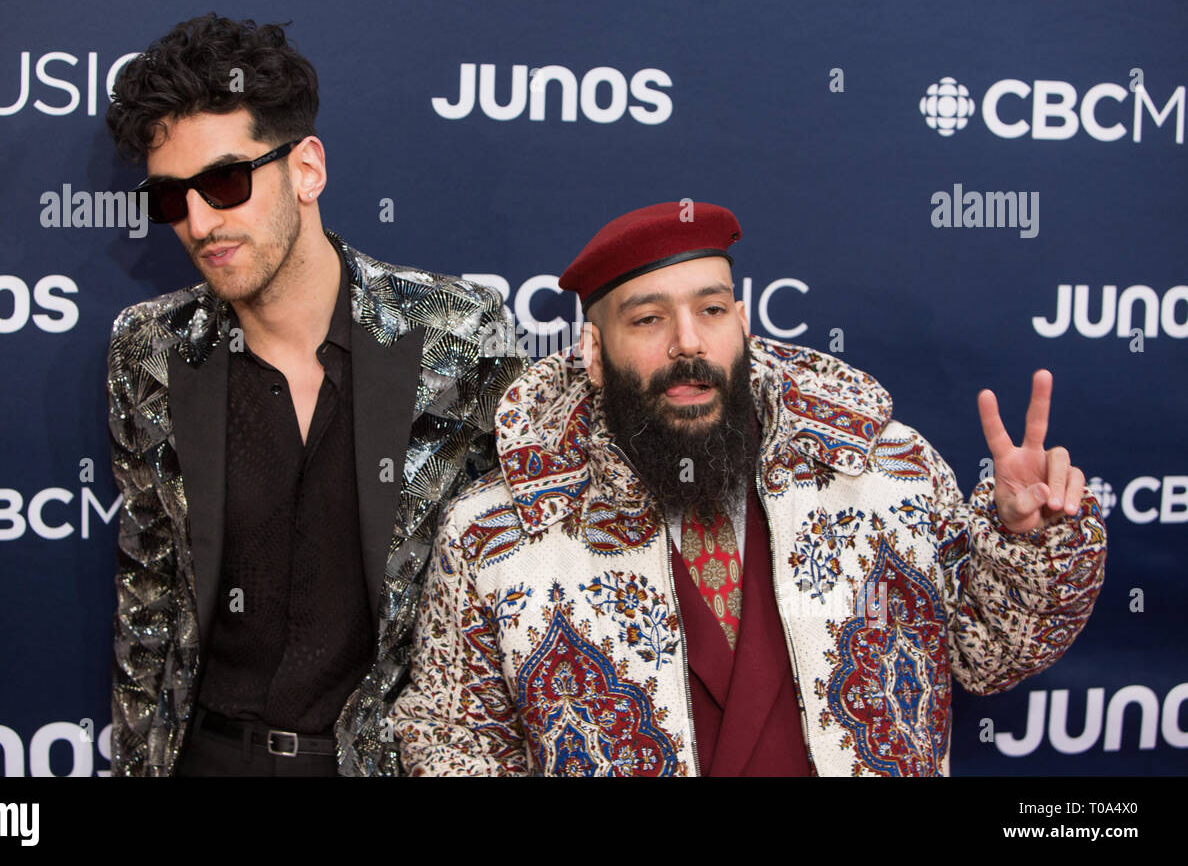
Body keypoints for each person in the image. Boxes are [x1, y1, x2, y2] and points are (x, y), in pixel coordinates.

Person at [390, 200, 1108, 776]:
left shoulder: (887, 470)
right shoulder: (497, 536)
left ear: (743, 323)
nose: (689, 344)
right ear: (593, 354)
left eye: (710, 309)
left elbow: (991, 652)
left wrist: (1027, 540)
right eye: (647, 319)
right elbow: (451, 742)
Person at [103, 14, 525, 776]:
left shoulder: (456, 331)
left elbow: (508, 575)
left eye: (226, 182)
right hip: (211, 755)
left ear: (306, 169)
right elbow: (149, 595)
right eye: (171, 199)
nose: (200, 222)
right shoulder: (150, 351)